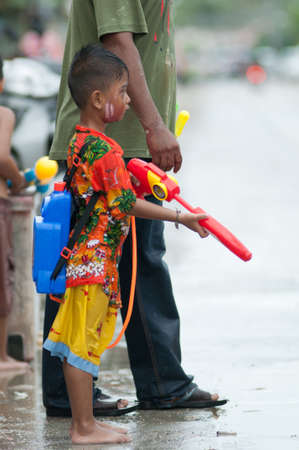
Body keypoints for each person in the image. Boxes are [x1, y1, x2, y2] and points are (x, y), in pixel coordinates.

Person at [44, 0, 227, 417]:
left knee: (132, 264)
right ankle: (75, 401)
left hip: (125, 143)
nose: (123, 94)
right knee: (77, 276)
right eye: (121, 92)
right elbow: (118, 41)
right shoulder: (98, 151)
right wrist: (154, 124)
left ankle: (156, 385)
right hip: (117, 145)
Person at [0, 55, 29, 371]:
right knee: (2, 282)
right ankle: (2, 357)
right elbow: (1, 156)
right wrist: (18, 179)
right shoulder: (3, 112)